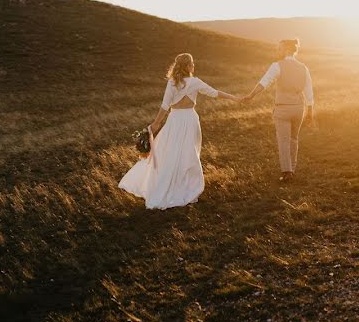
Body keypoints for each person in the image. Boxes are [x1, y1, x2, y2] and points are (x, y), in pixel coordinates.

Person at [118, 53, 242, 209]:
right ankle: (186, 186)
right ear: (189, 66)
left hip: (174, 120)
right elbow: (215, 93)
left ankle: (169, 184)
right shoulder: (195, 82)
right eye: (192, 63)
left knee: (170, 152)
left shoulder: (172, 83)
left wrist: (156, 124)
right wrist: (235, 98)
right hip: (190, 119)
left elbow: (165, 106)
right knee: (188, 153)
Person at [243, 38, 314, 182]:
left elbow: (264, 82)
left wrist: (251, 95)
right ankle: (292, 169)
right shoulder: (303, 68)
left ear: (287, 50)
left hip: (283, 108)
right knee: (294, 139)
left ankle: (287, 172)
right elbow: (309, 92)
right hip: (298, 108)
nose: (277, 51)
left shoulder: (277, 66)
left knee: (283, 140)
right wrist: (310, 112)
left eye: (279, 48)